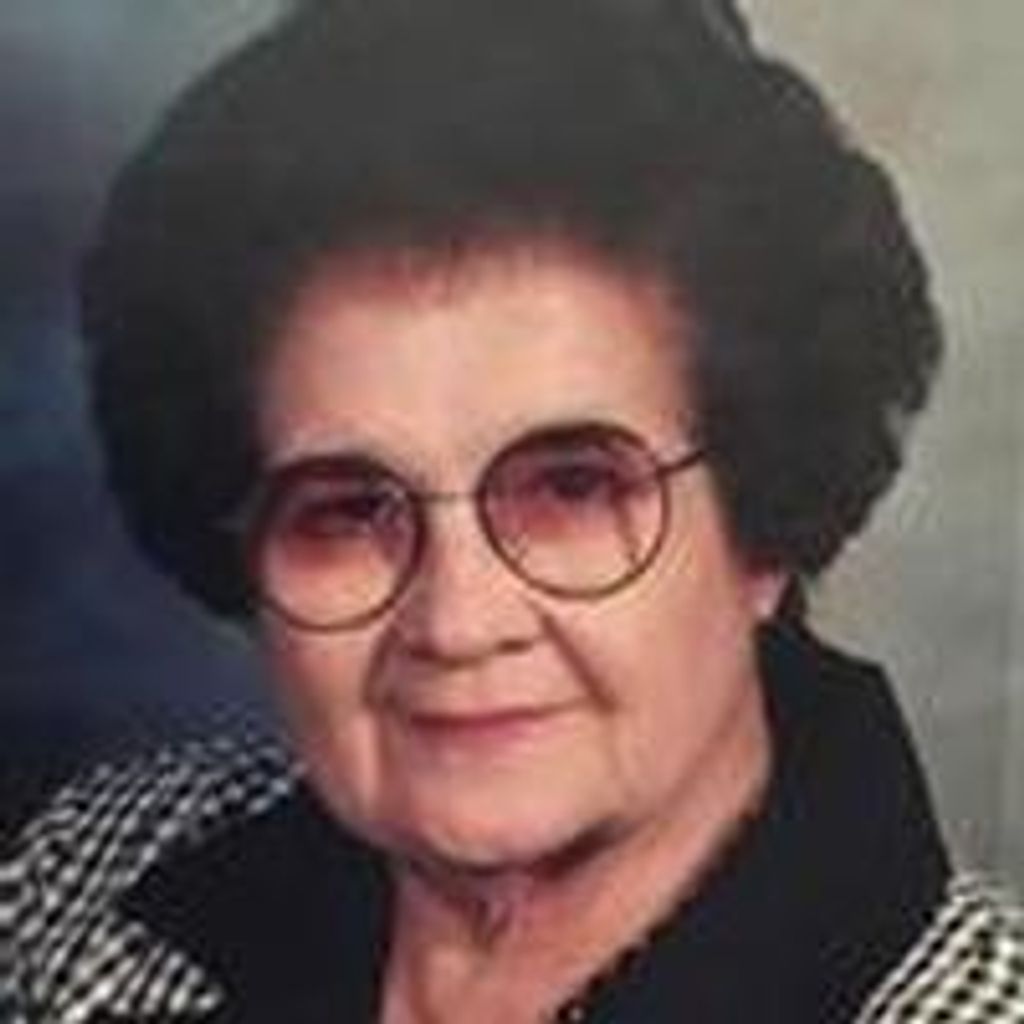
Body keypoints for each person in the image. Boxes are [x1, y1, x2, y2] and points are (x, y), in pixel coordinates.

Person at [2, 0, 1021, 1021]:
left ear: (763, 530)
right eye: (346, 511)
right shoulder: (84, 882)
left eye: (571, 489)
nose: (456, 622)